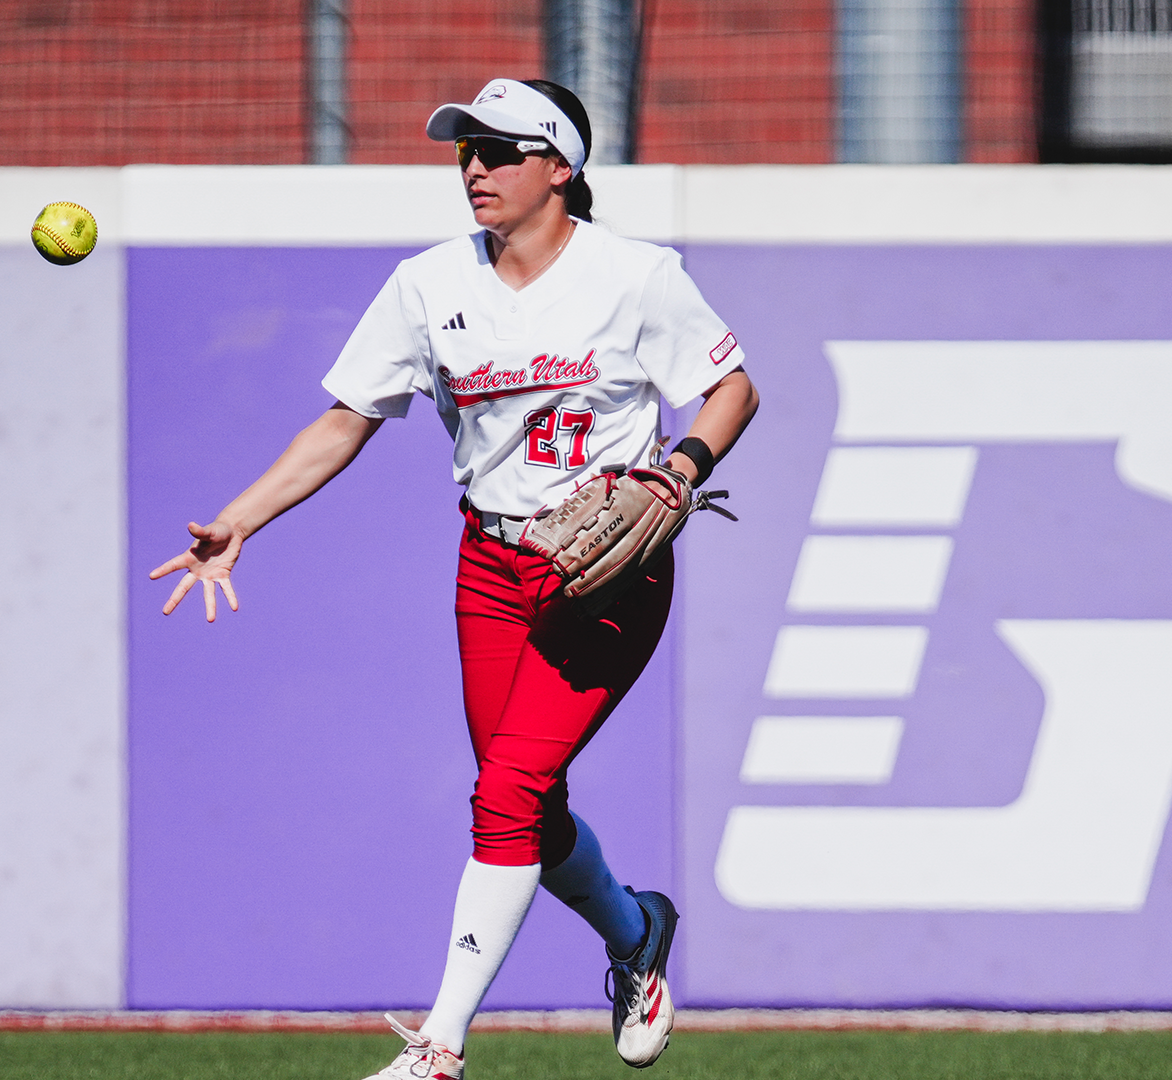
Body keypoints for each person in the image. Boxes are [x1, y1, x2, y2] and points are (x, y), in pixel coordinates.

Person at [152, 77, 759, 1078]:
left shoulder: (636, 275)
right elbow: (346, 419)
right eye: (464, 148)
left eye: (501, 148)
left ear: (560, 168)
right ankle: (636, 933)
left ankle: (441, 1047)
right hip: (492, 563)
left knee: (509, 791)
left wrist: (682, 468)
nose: (475, 165)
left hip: (606, 575)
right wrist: (238, 521)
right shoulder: (429, 285)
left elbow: (731, 386)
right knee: (522, 801)